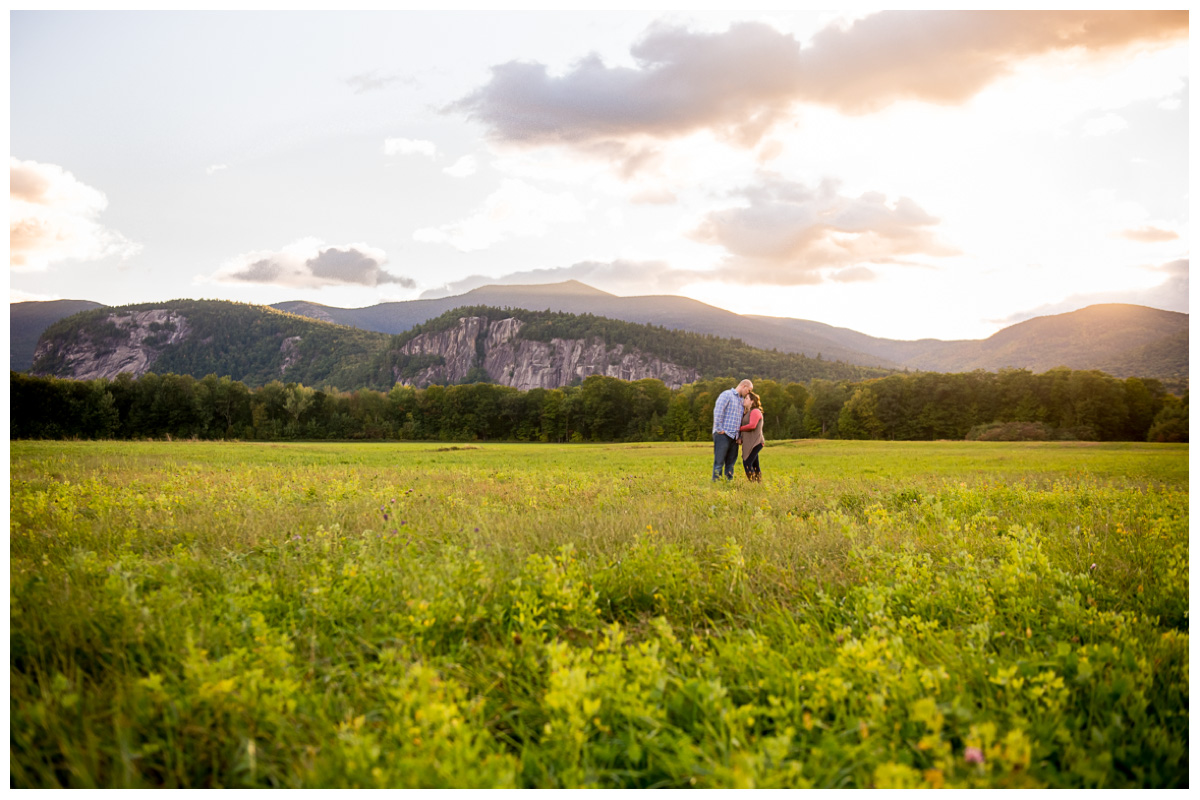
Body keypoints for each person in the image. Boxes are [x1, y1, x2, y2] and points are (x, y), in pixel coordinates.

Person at [712, 379, 753, 481]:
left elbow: (739, 421)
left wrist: (739, 436)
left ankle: (728, 484)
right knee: (719, 462)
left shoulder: (741, 401)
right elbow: (718, 411)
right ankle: (716, 484)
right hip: (723, 434)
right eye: (748, 390)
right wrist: (719, 429)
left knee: (730, 464)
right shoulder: (727, 394)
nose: (749, 393)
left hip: (734, 438)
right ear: (744, 386)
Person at [738, 391, 765, 482]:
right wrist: (741, 437)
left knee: (747, 462)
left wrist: (739, 428)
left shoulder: (755, 411)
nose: (744, 400)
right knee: (755, 464)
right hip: (749, 442)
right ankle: (758, 483)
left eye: (746, 398)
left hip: (756, 442)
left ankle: (753, 483)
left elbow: (752, 425)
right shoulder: (747, 412)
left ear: (752, 401)